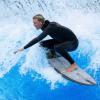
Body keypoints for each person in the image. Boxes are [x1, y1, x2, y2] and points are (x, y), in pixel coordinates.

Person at [14, 14, 79, 72]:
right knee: (43, 44)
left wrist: (23, 48)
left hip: (73, 43)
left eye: (35, 23)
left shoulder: (50, 27)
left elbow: (37, 39)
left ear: (41, 22)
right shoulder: (47, 26)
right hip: (63, 41)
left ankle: (73, 64)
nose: (34, 25)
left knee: (57, 47)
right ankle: (54, 53)